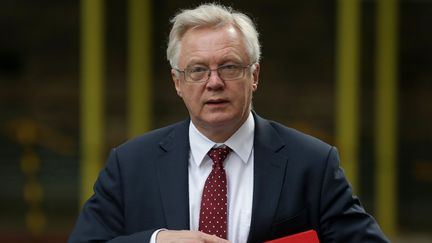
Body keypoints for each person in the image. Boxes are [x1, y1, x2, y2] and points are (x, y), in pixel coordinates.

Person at [69, 3, 390, 243]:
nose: (214, 82)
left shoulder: (312, 163)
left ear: (255, 75)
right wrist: (156, 240)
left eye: (230, 67)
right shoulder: (130, 164)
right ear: (177, 82)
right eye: (197, 70)